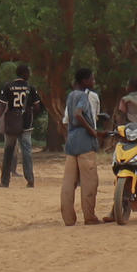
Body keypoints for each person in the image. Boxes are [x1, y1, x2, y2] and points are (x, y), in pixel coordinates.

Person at [60, 67, 102, 225]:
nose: (93, 82)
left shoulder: (71, 95)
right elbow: (78, 114)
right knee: (89, 181)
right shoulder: (83, 96)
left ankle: (68, 218)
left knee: (68, 182)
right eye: (92, 79)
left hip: (71, 142)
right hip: (85, 143)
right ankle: (89, 216)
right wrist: (93, 131)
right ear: (84, 81)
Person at [0, 64, 40, 188]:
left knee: (8, 151)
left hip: (12, 123)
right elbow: (37, 107)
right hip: (26, 123)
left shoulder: (8, 86)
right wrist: (29, 112)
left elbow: (2, 106)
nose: (29, 75)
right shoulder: (31, 88)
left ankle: (5, 181)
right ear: (24, 73)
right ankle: (30, 179)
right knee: (27, 152)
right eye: (28, 72)